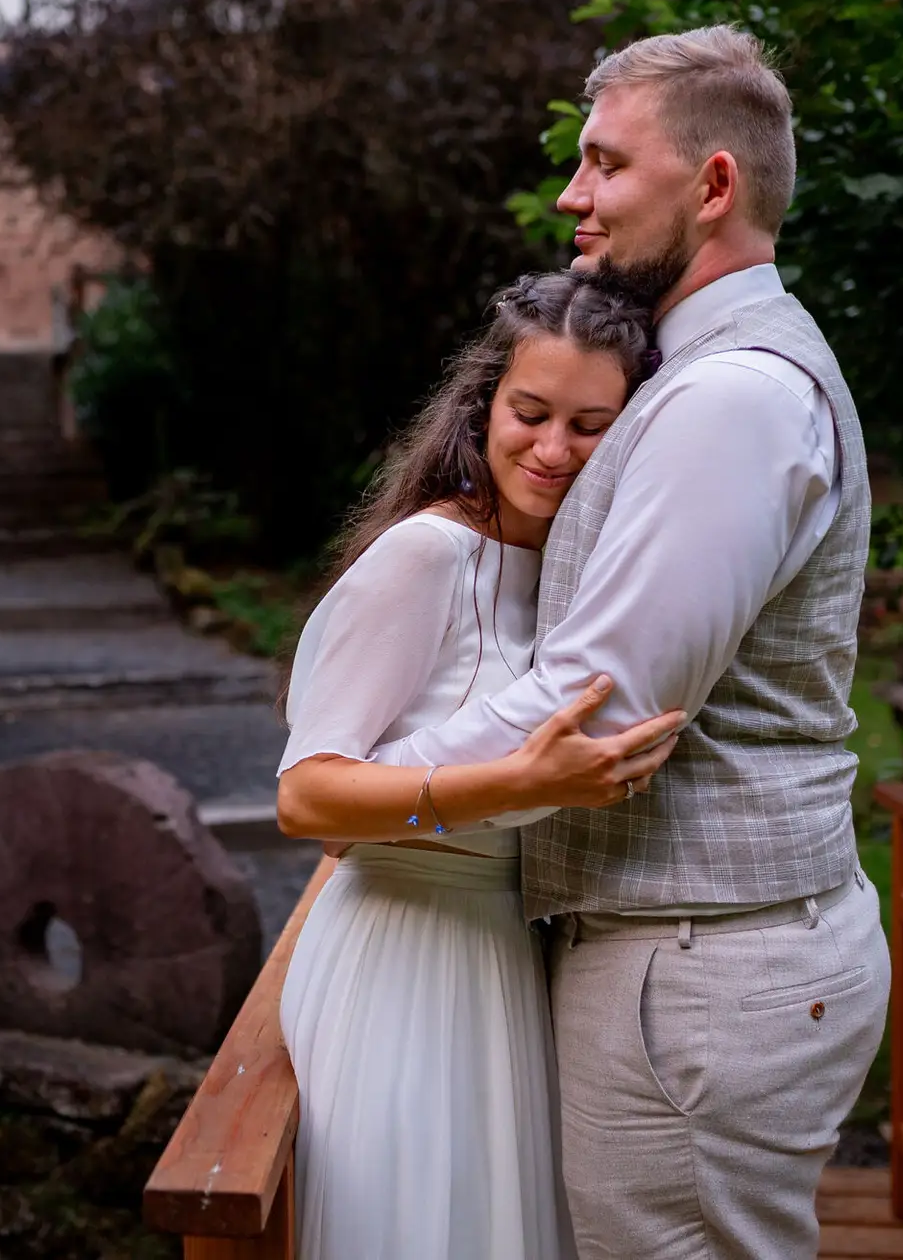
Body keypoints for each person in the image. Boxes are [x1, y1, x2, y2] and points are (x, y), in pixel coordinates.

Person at [355, 25, 892, 1259]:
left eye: (604, 164)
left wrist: (374, 788)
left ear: (712, 186)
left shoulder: (731, 399)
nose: (571, 194)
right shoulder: (695, 375)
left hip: (698, 970)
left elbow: (600, 705)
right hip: (694, 956)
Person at [275, 270, 680, 1260]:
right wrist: (523, 783)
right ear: (484, 405)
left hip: (504, 962)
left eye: (590, 426)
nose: (550, 450)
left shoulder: (579, 582)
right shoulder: (427, 556)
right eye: (530, 412)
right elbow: (306, 795)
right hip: (400, 963)